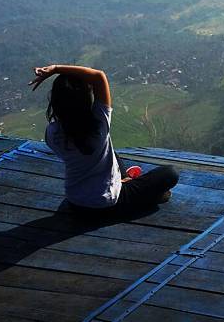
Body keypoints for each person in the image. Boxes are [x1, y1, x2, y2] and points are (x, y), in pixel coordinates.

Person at [30, 64, 179, 216]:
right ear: (87, 99)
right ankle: (131, 186)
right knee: (170, 173)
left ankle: (126, 180)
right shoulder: (98, 123)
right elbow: (99, 76)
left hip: (75, 203)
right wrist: (56, 68)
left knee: (111, 153)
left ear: (56, 101)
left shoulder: (52, 132)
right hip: (108, 203)